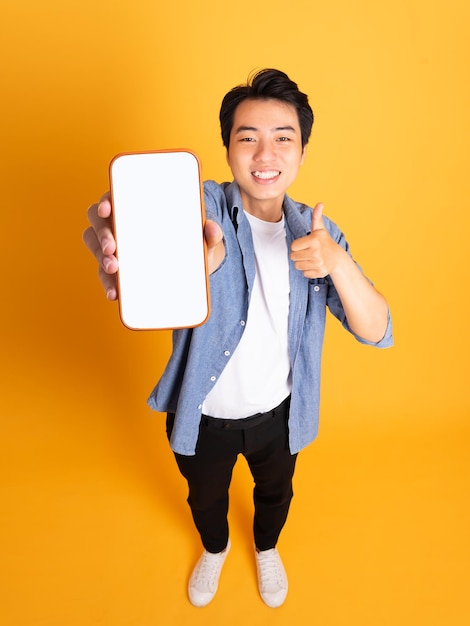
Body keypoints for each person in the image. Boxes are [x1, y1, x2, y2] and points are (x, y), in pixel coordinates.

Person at [83, 68, 393, 608]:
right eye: (247, 137)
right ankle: (216, 547)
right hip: (200, 415)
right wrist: (111, 233)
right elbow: (151, 233)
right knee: (205, 497)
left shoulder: (318, 232)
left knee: (276, 495)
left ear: (301, 152)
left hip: (279, 414)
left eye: (283, 138)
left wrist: (336, 262)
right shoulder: (200, 208)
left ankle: (266, 547)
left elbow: (377, 330)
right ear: (227, 147)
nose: (264, 153)